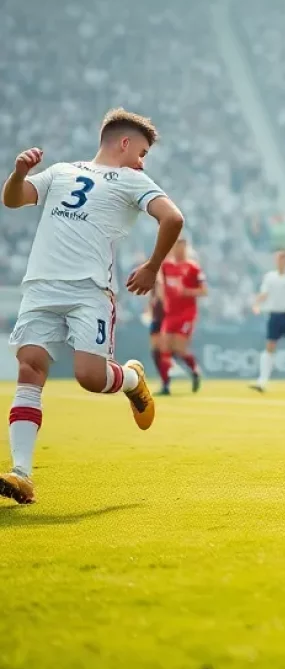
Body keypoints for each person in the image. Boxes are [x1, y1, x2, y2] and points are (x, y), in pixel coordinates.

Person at [0, 108, 184, 505]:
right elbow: (13, 200)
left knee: (89, 376)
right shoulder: (60, 172)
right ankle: (21, 475)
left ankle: (131, 379)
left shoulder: (133, 180)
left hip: (90, 290)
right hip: (41, 286)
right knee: (29, 368)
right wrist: (18, 173)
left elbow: (172, 218)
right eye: (142, 152)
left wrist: (153, 267)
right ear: (124, 142)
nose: (142, 161)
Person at [156, 238, 206, 395]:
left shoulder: (193, 267)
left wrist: (187, 292)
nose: (180, 250)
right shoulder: (166, 266)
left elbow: (204, 291)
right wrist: (161, 299)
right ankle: (165, 386)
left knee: (179, 349)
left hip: (187, 314)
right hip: (170, 314)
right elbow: (161, 284)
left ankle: (195, 370)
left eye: (182, 247)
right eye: (177, 247)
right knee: (164, 348)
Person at [251, 249, 285, 392]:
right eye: (279, 259)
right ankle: (262, 381)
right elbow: (264, 294)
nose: (280, 262)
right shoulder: (270, 277)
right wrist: (256, 304)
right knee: (270, 346)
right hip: (275, 315)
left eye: (283, 259)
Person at [147, 291, 165, 383]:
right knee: (156, 353)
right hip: (155, 324)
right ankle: (164, 379)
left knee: (162, 353)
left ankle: (165, 379)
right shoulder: (152, 295)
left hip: (163, 323)